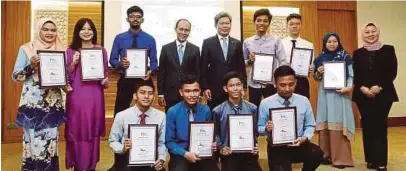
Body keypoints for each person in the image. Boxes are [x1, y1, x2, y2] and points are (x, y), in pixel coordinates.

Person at [11, 18, 67, 170]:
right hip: (32, 106)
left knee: (50, 143)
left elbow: (65, 77)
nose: (50, 33)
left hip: (51, 105)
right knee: (33, 141)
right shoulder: (26, 49)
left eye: (53, 30)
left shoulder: (61, 50)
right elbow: (16, 76)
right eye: (46, 29)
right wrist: (31, 65)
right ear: (38, 30)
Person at [109, 5, 158, 169]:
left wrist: (151, 70)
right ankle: (119, 164)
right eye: (132, 16)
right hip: (125, 80)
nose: (135, 18)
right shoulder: (119, 38)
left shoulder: (150, 39)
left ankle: (145, 156)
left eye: (138, 16)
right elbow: (112, 60)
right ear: (127, 19)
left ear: (142, 19)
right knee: (119, 116)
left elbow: (155, 62)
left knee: (147, 117)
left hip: (143, 81)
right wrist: (120, 64)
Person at [258, 65, 323, 171]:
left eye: (291, 84)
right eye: (282, 85)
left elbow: (310, 125)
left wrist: (305, 138)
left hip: (299, 144)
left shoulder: (303, 101)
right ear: (275, 84)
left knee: (317, 153)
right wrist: (266, 129)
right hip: (277, 148)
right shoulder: (266, 103)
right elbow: (260, 128)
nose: (287, 89)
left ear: (296, 82)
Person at [352, 23, 398, 171]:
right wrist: (362, 88)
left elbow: (392, 72)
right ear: (362, 34)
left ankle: (381, 162)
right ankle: (370, 160)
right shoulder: (357, 53)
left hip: (383, 95)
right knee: (367, 126)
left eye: (373, 31)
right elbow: (355, 74)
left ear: (378, 32)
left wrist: (380, 87)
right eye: (367, 32)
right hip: (362, 95)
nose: (370, 34)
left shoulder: (388, 49)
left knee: (379, 127)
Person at [65, 18, 109, 171]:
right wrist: (73, 64)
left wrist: (105, 80)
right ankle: (79, 164)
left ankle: (91, 166)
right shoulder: (70, 50)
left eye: (90, 29)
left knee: (92, 129)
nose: (86, 32)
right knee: (77, 128)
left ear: (94, 32)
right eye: (83, 29)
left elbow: (105, 77)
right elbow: (66, 78)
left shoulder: (100, 50)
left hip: (95, 96)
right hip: (76, 96)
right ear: (77, 31)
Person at [313, 32, 355, 169]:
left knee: (338, 121)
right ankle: (325, 155)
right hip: (325, 95)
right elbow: (316, 78)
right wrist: (319, 72)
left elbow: (351, 75)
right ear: (325, 43)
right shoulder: (320, 58)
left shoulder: (345, 57)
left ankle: (341, 158)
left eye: (335, 41)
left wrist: (347, 88)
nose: (332, 44)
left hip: (340, 95)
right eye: (329, 42)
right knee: (325, 121)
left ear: (339, 42)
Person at [108, 80, 166, 171]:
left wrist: (161, 159)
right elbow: (112, 141)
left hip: (151, 159)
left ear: (153, 97)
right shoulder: (122, 116)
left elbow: (162, 143)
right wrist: (123, 148)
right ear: (135, 96)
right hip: (127, 159)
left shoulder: (161, 116)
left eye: (150, 93)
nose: (146, 96)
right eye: (142, 93)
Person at [165, 75, 219, 171]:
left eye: (195, 90)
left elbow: (210, 134)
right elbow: (169, 142)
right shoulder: (172, 112)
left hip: (202, 151)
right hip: (181, 153)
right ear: (181, 92)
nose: (192, 95)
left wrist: (214, 143)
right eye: (187, 91)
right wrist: (185, 154)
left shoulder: (205, 110)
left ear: (200, 91)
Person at [212, 71, 262, 171]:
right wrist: (221, 147)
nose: (235, 88)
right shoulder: (218, 111)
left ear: (242, 86)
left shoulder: (252, 108)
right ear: (225, 88)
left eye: (238, 85)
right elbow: (215, 134)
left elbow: (255, 132)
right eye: (231, 85)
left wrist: (255, 145)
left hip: (249, 153)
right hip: (229, 154)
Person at [200, 12, 247, 111]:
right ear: (216, 25)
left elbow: (241, 67)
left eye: (227, 23)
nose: (225, 26)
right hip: (214, 89)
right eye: (221, 23)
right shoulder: (207, 43)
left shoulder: (237, 43)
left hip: (233, 88)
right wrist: (205, 88)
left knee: (233, 114)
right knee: (215, 115)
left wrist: (243, 86)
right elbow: (203, 67)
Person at [243, 8, 288, 107]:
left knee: (272, 110)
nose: (261, 23)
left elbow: (283, 61)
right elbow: (243, 62)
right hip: (253, 84)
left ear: (269, 23)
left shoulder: (276, 40)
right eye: (259, 20)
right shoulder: (247, 42)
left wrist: (279, 80)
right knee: (254, 110)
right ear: (254, 22)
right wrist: (249, 61)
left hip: (271, 84)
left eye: (265, 21)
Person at [158, 19, 200, 111]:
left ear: (190, 31)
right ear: (175, 29)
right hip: (170, 93)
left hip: (189, 94)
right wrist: (160, 94)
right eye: (181, 29)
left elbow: (197, 73)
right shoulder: (166, 48)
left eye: (186, 30)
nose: (183, 32)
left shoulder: (195, 49)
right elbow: (161, 73)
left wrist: (198, 94)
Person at [281, 13, 314, 99]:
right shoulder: (280, 43)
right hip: (284, 80)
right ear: (287, 26)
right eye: (291, 24)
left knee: (302, 106)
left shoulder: (308, 45)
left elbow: (312, 64)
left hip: (301, 81)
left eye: (297, 24)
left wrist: (311, 68)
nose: (294, 26)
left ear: (301, 26)